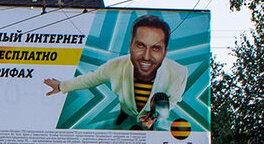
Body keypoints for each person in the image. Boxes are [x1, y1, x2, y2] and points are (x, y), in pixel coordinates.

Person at [42, 14, 185, 130]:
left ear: (165, 51)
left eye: (155, 48)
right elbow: (90, 79)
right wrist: (61, 86)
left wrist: (154, 117)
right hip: (126, 108)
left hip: (151, 116)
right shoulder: (115, 66)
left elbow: (173, 99)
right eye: (140, 46)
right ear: (130, 45)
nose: (146, 57)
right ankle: (123, 115)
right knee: (122, 116)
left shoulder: (179, 72)